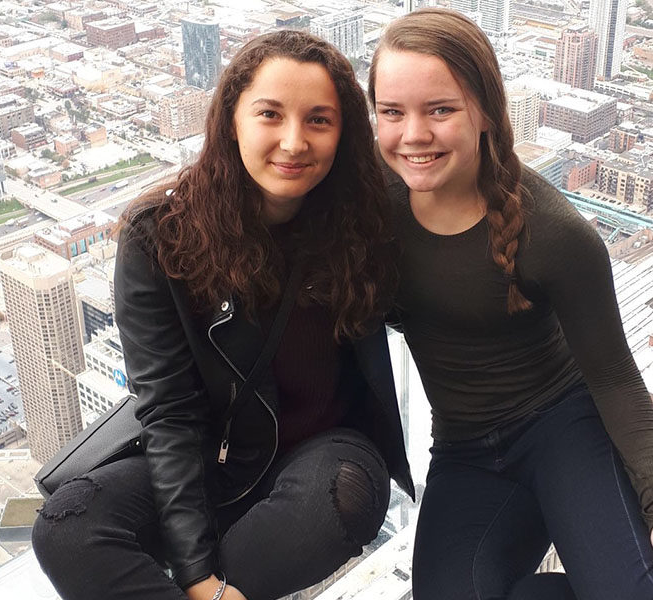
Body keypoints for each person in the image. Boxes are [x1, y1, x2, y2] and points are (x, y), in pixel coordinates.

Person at [368, 8, 653, 600]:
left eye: (440, 109)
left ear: (486, 111)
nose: (413, 133)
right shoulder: (371, 204)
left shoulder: (555, 232)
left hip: (563, 428)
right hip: (465, 449)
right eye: (392, 112)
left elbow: (616, 378)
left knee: (646, 591)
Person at [32, 30, 413, 600]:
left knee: (346, 495)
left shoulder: (366, 221)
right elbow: (169, 409)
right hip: (213, 452)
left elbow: (458, 197)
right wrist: (195, 573)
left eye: (318, 120)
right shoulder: (161, 238)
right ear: (231, 119)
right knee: (70, 526)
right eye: (269, 114)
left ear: (344, 134)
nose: (293, 141)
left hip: (324, 450)